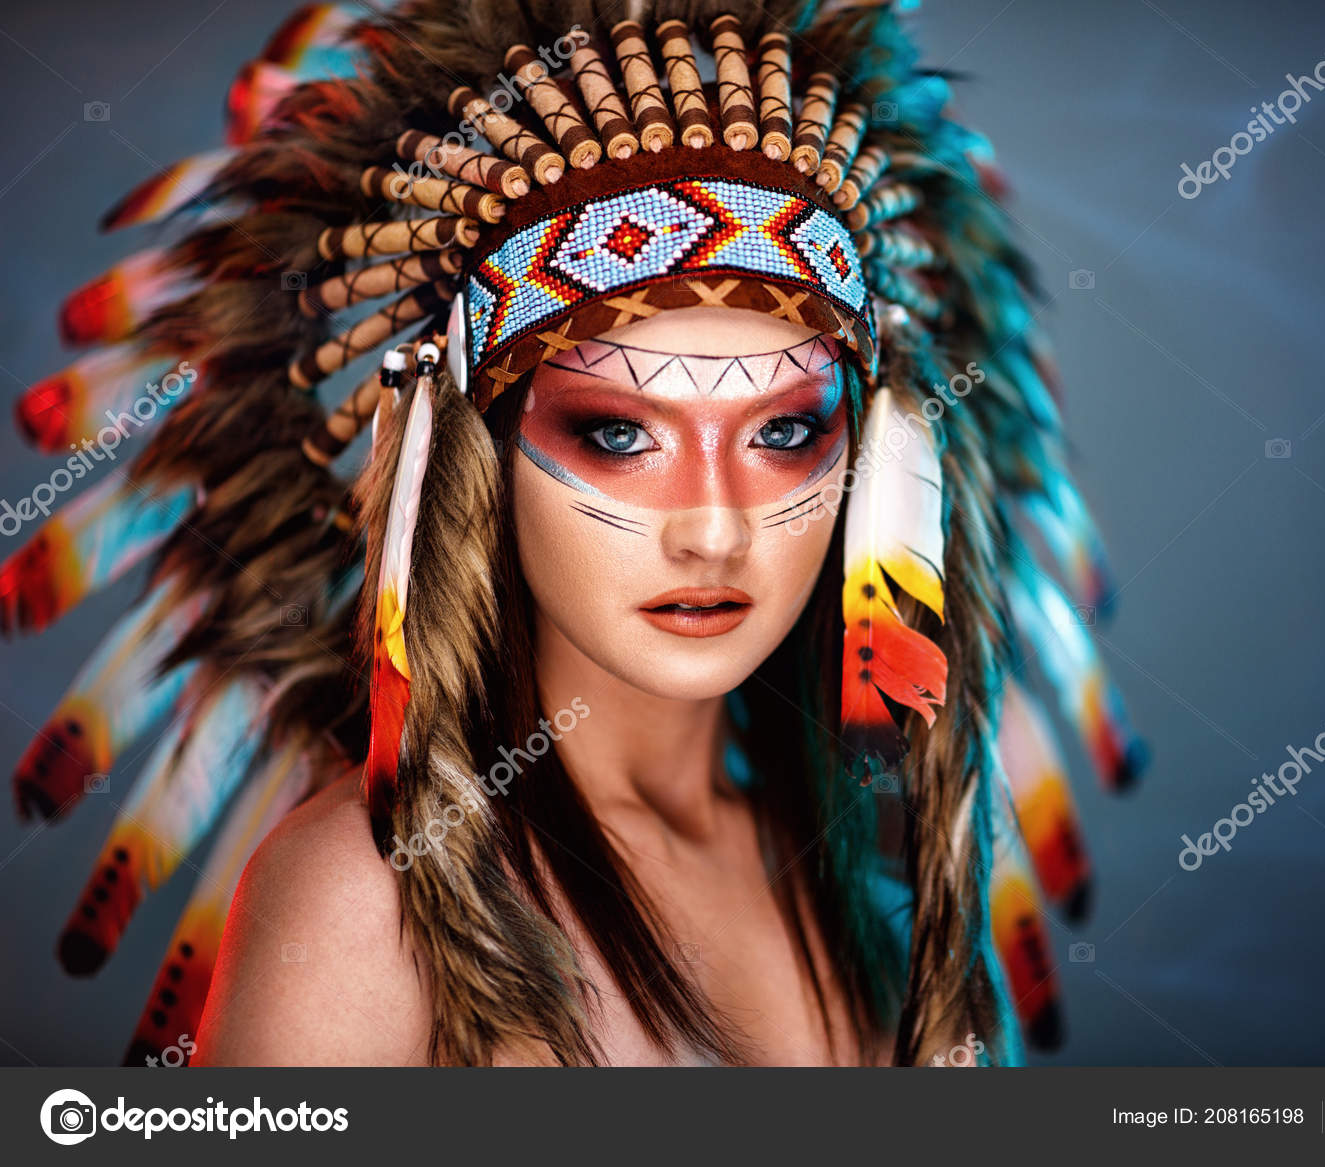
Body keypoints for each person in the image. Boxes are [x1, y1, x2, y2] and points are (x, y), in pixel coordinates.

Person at [4, 0, 1143, 1066]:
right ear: (476, 461)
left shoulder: (873, 884)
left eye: (785, 431)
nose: (713, 527)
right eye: (616, 435)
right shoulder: (369, 892)